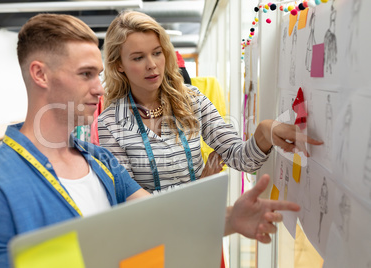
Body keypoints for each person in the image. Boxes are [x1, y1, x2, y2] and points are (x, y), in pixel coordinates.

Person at [0, 13, 300, 267]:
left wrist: (228, 219)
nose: (98, 89)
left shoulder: (99, 163)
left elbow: (150, 219)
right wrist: (202, 193)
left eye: (157, 53)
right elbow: (117, 238)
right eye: (86, 74)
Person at [97, 11, 323, 194]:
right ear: (119, 65)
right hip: (148, 236)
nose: (152, 65)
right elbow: (127, 196)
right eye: (138, 58)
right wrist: (197, 187)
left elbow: (241, 159)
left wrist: (264, 133)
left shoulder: (192, 100)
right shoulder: (110, 123)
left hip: (200, 226)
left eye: (157, 53)